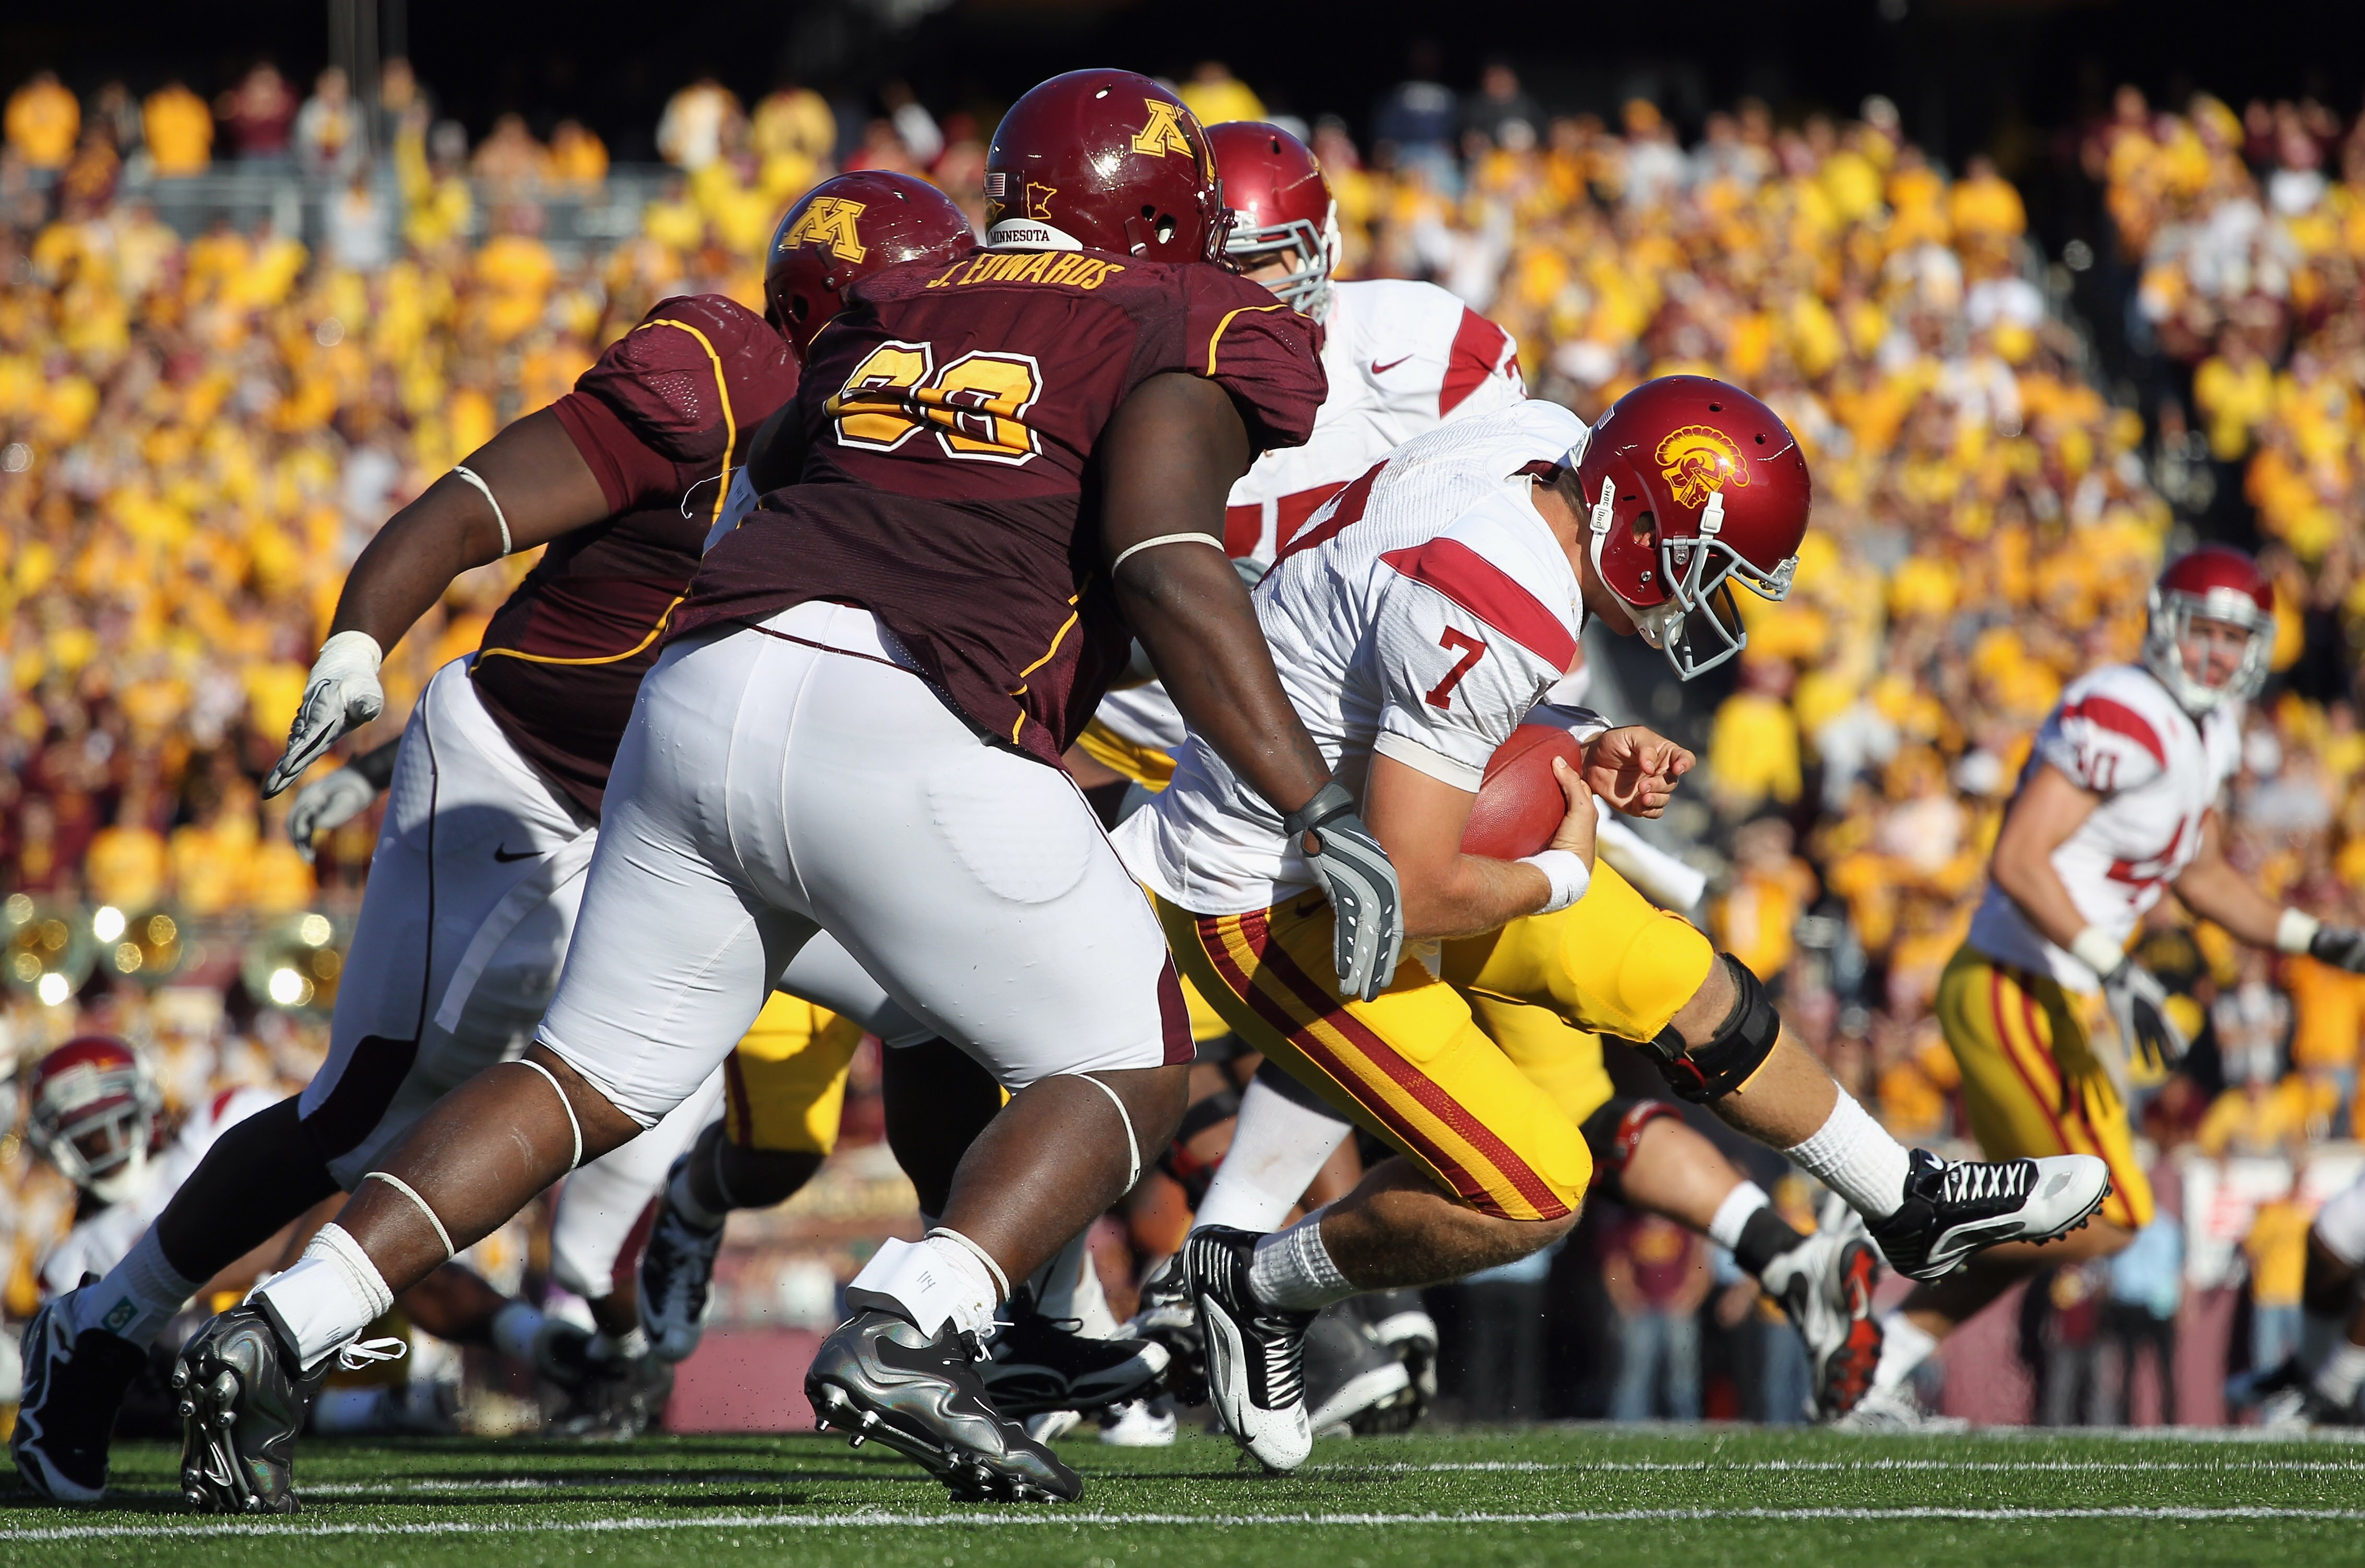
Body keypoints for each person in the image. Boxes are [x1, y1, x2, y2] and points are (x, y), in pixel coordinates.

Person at [165, 70, 1383, 1510]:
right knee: (1127, 1061)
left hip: (703, 687)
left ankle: (282, 1326)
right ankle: (917, 1319)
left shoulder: (899, 301)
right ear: (1161, 213)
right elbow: (1162, 560)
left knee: (580, 1077)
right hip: (908, 702)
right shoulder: (1171, 315)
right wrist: (1309, 798)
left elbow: (795, 486)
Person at [7, 173, 976, 1513]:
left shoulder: (928, 453)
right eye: (913, 317)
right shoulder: (712, 378)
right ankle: (100, 1328)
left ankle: (997, 1321)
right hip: (528, 786)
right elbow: (468, 513)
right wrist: (361, 646)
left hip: (706, 808)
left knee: (941, 999)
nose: (947, 346)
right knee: (359, 1114)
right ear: (824, 317)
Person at [1117, 376, 2112, 1471]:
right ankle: (1249, 1282)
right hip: (1269, 888)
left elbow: (1419, 698)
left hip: (1355, 823)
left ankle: (1903, 1199)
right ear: (1632, 520)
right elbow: (1410, 878)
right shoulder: (1503, 586)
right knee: (1531, 1185)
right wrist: (1557, 875)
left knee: (1667, 969)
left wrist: (1581, 734)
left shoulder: (1548, 448)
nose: (1708, 606)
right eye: (1705, 569)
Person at [1855, 544, 2365, 1428]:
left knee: (2083, 1212)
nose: (2212, 655)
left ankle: (1876, 1348)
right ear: (2166, 627)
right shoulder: (2122, 707)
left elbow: (2199, 877)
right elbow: (2017, 856)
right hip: (2013, 981)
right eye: (2200, 632)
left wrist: (2312, 934)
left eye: (2230, 638)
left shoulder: (2210, 731)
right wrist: (2117, 964)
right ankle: (1877, 1263)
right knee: (2101, 1208)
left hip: (2057, 992)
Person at [8, 1037, 608, 1499]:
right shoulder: (72, 1251)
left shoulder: (219, 1122)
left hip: (297, 1307)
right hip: (185, 1380)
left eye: (111, 1113)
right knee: (354, 1211)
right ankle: (342, 1379)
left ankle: (544, 1343)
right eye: (85, 1130)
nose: (105, 1136)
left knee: (359, 1201)